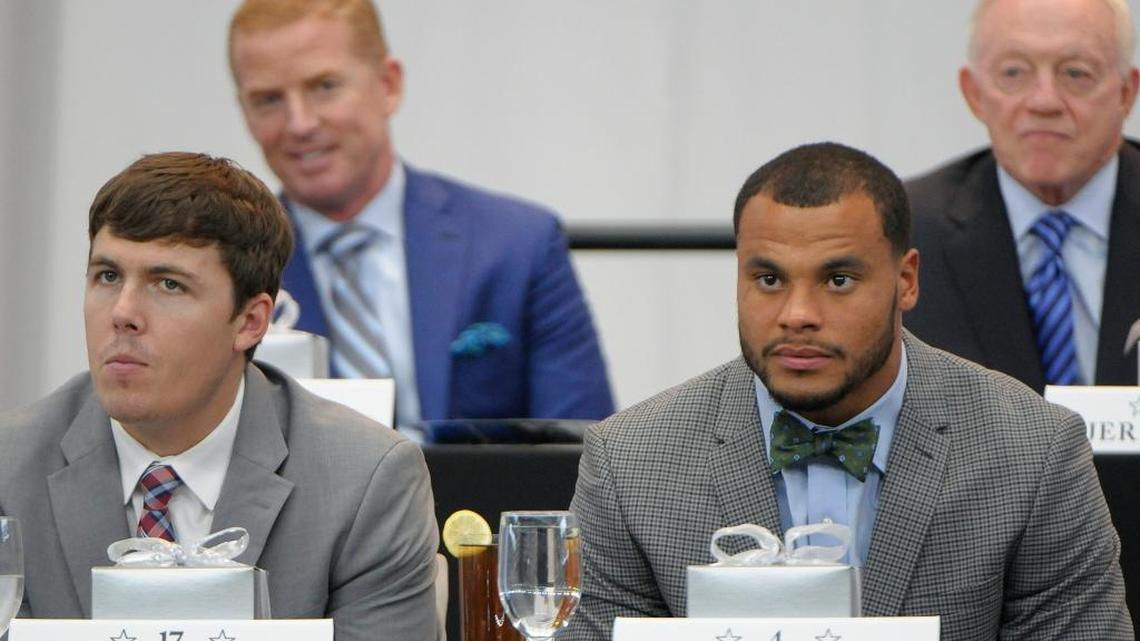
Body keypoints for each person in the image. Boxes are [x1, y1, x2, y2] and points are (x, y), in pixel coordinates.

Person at [565, 142, 1130, 641]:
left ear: (906, 281)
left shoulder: (1033, 450)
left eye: (838, 280)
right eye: (768, 279)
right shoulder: (632, 463)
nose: (798, 315)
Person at [0, 153, 439, 641]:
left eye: (168, 284)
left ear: (250, 322)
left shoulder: (364, 482)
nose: (123, 313)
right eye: (107, 276)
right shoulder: (8, 472)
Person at [227, 0, 614, 426]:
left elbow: (579, 450)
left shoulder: (516, 244)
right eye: (268, 100)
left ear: (388, 85)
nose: (299, 123)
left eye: (324, 87)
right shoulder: (230, 266)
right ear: (245, 112)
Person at [905, 0, 1140, 392]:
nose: (1044, 101)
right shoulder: (907, 231)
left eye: (1076, 73)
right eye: (1014, 73)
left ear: (1125, 92)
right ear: (974, 93)